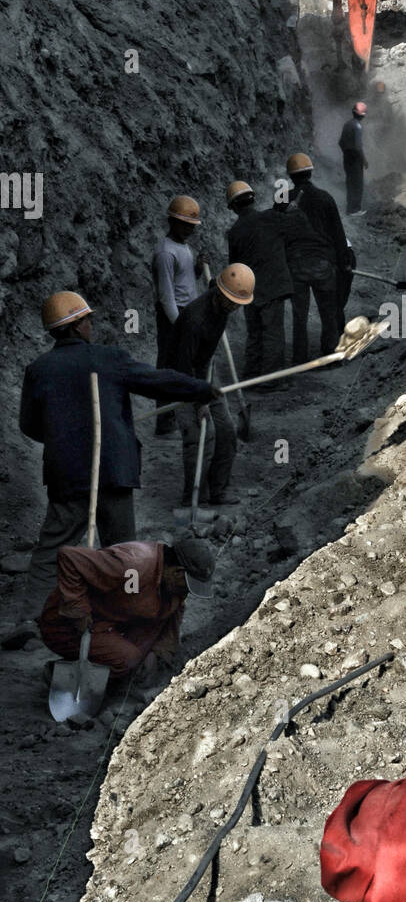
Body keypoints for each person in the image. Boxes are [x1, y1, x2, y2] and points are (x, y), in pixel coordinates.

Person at [20, 292, 218, 611]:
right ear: (75, 326)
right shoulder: (109, 358)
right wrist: (201, 389)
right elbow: (157, 382)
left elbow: (29, 426)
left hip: (66, 475)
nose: (90, 325)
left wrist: (64, 440)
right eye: (86, 320)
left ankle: (31, 619)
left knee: (51, 550)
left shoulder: (38, 369)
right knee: (122, 549)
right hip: (113, 470)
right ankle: (125, 611)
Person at [38, 535, 215, 679]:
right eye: (187, 586)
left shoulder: (172, 589)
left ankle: (116, 669)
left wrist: (158, 652)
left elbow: (172, 618)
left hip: (111, 622)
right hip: (67, 626)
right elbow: (69, 557)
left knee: (144, 650)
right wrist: (78, 611)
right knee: (128, 660)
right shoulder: (133, 564)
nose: (186, 593)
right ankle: (63, 673)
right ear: (177, 572)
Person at [164, 264, 254, 507]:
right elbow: (183, 365)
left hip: (203, 371)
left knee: (225, 431)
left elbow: (203, 360)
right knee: (200, 436)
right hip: (179, 377)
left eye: (238, 303)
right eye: (231, 301)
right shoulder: (196, 319)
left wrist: (206, 390)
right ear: (220, 295)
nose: (234, 307)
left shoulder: (222, 306)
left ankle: (218, 492)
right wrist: (199, 402)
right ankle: (193, 498)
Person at [282, 154, 354, 364]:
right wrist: (344, 262)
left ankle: (300, 359)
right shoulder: (325, 197)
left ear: (290, 176)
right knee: (329, 311)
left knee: (299, 316)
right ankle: (332, 354)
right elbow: (338, 234)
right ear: (311, 172)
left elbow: (277, 232)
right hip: (323, 265)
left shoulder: (283, 199)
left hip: (295, 266)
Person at [225, 180, 294, 384]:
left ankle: (251, 375)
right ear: (253, 199)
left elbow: (234, 265)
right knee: (272, 333)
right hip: (272, 287)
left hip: (249, 290)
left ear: (234, 207)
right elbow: (293, 232)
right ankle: (272, 380)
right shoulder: (271, 218)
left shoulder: (234, 232)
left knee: (254, 333)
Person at [151, 195, 203, 436]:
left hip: (186, 312)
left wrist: (197, 271)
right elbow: (166, 294)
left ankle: (183, 415)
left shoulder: (183, 247)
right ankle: (164, 422)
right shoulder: (165, 253)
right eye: (185, 225)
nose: (190, 230)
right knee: (168, 367)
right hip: (173, 315)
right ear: (172, 221)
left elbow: (185, 281)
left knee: (185, 364)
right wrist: (179, 323)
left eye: (192, 225)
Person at [338, 101, 368, 215]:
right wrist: (364, 160)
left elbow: (340, 142)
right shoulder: (358, 126)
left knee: (350, 182)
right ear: (363, 115)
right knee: (357, 184)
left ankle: (349, 209)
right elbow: (358, 147)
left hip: (347, 157)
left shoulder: (347, 124)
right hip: (355, 158)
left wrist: (346, 153)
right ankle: (355, 210)